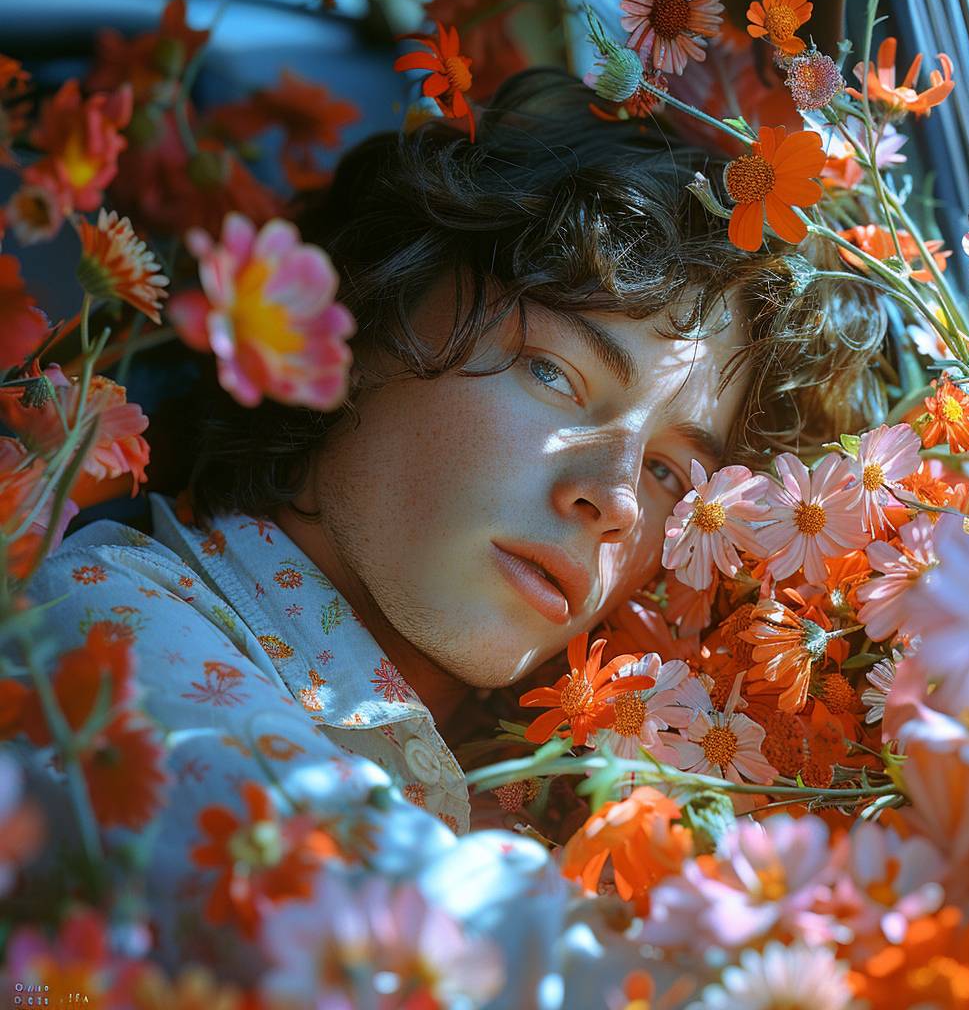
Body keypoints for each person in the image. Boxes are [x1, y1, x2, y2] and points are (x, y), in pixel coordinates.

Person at [12, 67, 885, 998]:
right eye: (553, 373)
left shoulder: (548, 784)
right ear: (354, 330)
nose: (617, 497)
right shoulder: (98, 627)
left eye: (675, 475)